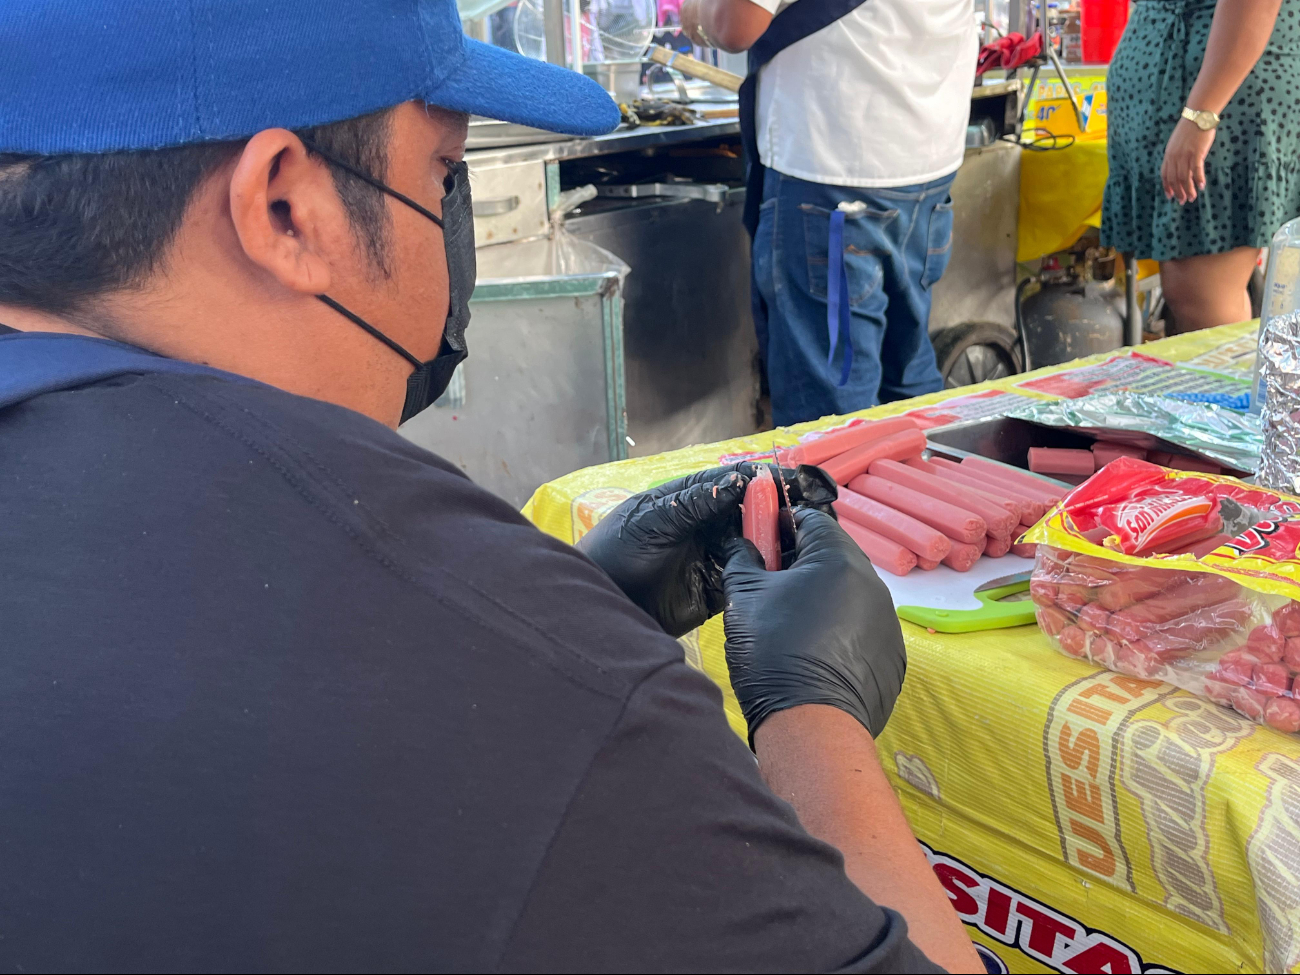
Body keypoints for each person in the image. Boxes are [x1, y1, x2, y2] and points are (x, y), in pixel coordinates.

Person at [0, 1, 982, 971]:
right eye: (443, 174)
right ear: (286, 209)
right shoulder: (524, 668)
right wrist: (813, 718)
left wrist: (568, 607)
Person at [680, 0, 980, 425]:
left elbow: (736, 22)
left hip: (832, 172)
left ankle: (838, 493)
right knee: (907, 382)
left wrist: (695, 15)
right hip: (926, 166)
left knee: (830, 412)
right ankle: (924, 488)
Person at [1103, 0, 1300, 332]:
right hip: (1184, 101)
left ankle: (1232, 385)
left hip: (1222, 101)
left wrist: (1201, 114)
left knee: (1201, 295)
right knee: (1194, 295)